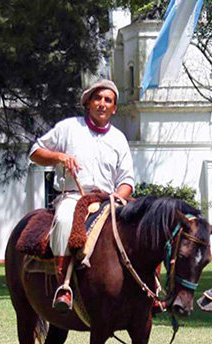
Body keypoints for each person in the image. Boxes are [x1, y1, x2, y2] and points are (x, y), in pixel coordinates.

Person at [29, 79, 134, 312]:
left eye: (108, 100)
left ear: (114, 108)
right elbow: (35, 152)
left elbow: (127, 180)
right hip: (74, 196)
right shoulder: (68, 127)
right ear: (88, 103)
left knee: (140, 227)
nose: (103, 104)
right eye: (98, 98)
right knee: (66, 219)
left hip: (109, 200)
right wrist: (58, 157)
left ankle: (150, 290)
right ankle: (63, 286)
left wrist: (118, 196)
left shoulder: (119, 138)